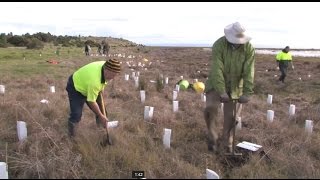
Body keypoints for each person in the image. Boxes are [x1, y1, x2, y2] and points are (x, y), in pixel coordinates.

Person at [204, 22, 255, 153]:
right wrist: (221, 91)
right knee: (210, 110)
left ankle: (227, 144)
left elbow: (249, 71)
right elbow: (217, 69)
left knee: (232, 118)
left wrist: (247, 92)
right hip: (216, 83)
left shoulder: (248, 48)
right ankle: (212, 139)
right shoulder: (219, 45)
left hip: (236, 87)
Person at [65, 59, 121, 137]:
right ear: (106, 70)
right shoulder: (95, 81)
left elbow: (103, 82)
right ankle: (71, 136)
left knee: (102, 110)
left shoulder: (106, 66)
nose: (113, 77)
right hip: (76, 87)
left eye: (115, 74)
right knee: (76, 114)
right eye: (112, 75)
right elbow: (91, 101)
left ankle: (102, 132)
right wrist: (100, 116)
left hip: (88, 83)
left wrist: (101, 90)